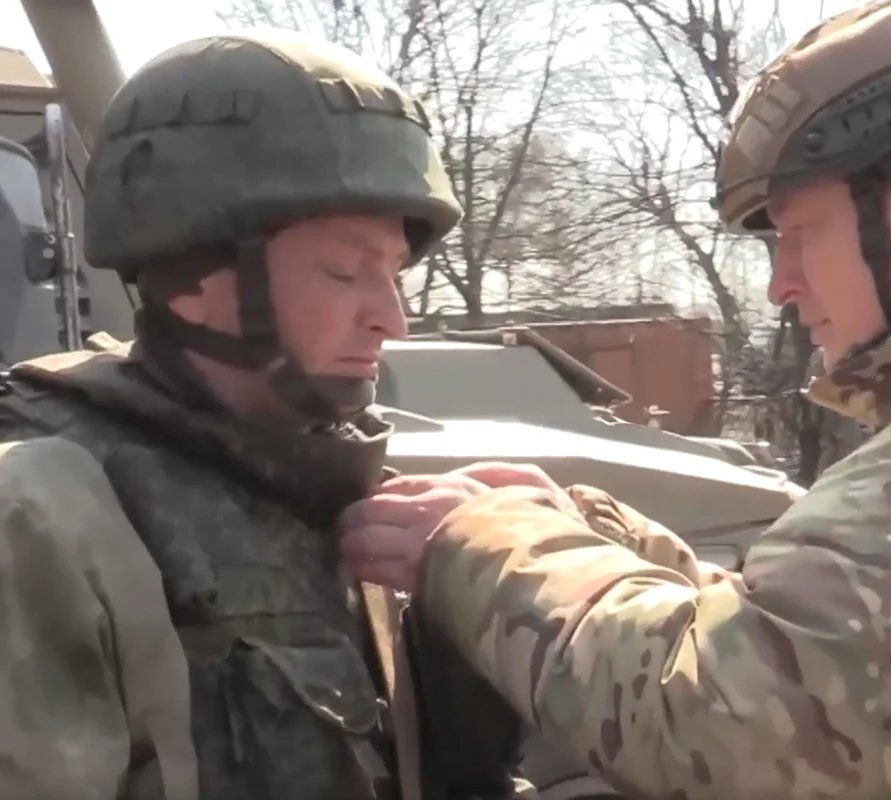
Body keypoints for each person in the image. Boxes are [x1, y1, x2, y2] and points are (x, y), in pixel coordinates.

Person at [341, 1, 891, 798]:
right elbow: (846, 646)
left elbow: (739, 726)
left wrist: (483, 549)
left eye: (798, 233)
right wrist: (591, 537)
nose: (781, 287)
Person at [0, 31, 531, 800]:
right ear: (194, 277)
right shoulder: (42, 514)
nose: (393, 320)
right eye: (346, 271)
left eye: (394, 274)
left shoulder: (325, 477)